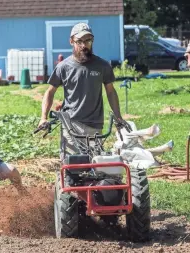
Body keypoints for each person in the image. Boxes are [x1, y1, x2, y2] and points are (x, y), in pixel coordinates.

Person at [38, 22, 125, 161]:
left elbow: (110, 91)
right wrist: (43, 117)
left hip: (95, 125)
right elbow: (50, 92)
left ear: (92, 41)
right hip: (71, 125)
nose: (84, 45)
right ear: (71, 41)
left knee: (95, 166)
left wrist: (118, 116)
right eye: (79, 41)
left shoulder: (102, 66)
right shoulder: (64, 67)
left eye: (88, 41)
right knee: (71, 165)